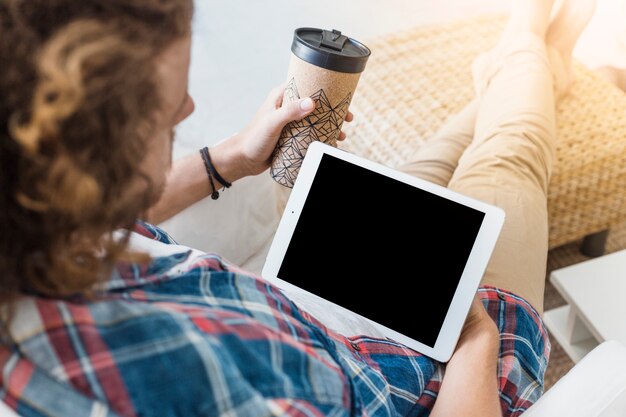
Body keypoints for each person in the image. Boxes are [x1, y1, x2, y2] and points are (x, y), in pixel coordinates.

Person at [0, 0, 595, 416]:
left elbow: (100, 217)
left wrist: (230, 157)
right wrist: (473, 337)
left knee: (434, 162)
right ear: (88, 160)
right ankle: (529, 40)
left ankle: (528, 63)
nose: (188, 108)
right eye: (163, 113)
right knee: (511, 156)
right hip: (443, 370)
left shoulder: (28, 235)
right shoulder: (150, 390)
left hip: (321, 295)